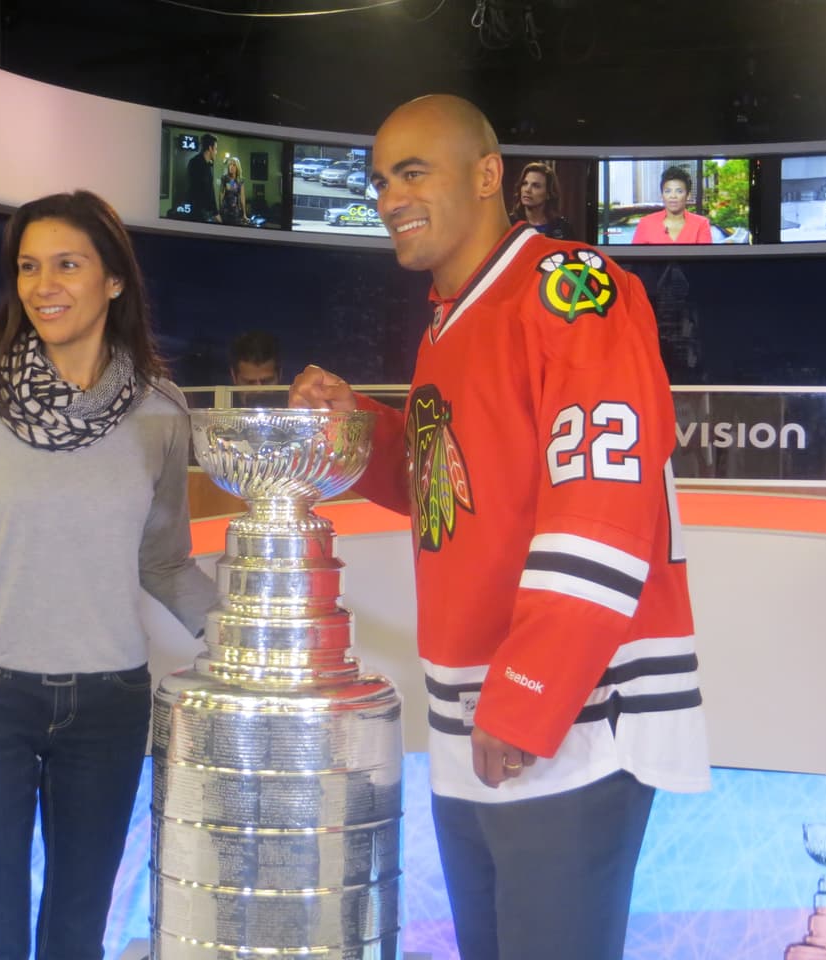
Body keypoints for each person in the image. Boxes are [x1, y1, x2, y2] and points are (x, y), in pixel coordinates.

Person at [289, 95, 710, 960]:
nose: (389, 198)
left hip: (568, 718)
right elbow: (453, 493)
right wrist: (356, 429)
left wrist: (529, 692)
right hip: (475, 719)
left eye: (413, 172)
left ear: (489, 176)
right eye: (379, 181)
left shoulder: (570, 286)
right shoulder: (449, 320)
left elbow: (605, 508)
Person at [0, 190, 215, 960]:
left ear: (113, 280)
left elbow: (163, 559)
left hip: (108, 704)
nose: (44, 285)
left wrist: (254, 640)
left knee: (77, 935)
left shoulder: (162, 411)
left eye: (67, 264)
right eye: (29, 267)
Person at [631, 165, 712, 244]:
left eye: (679, 191)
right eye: (668, 191)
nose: (673, 196)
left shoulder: (701, 224)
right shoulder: (646, 223)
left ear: (688, 195)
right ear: (662, 195)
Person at [508, 161, 574, 239]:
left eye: (536, 186)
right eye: (525, 183)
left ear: (548, 193)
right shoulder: (508, 224)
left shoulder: (562, 228)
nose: (527, 190)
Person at [186, 133, 221, 223]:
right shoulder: (196, 163)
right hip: (199, 212)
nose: (216, 152)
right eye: (216, 149)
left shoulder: (206, 164)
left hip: (203, 211)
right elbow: (208, 190)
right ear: (210, 148)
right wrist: (215, 213)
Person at [219, 155, 249, 226]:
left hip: (236, 210)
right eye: (230, 165)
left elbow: (242, 197)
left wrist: (244, 214)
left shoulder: (240, 180)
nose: (231, 167)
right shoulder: (224, 178)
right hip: (225, 209)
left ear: (237, 167)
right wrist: (220, 210)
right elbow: (221, 194)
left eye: (234, 165)